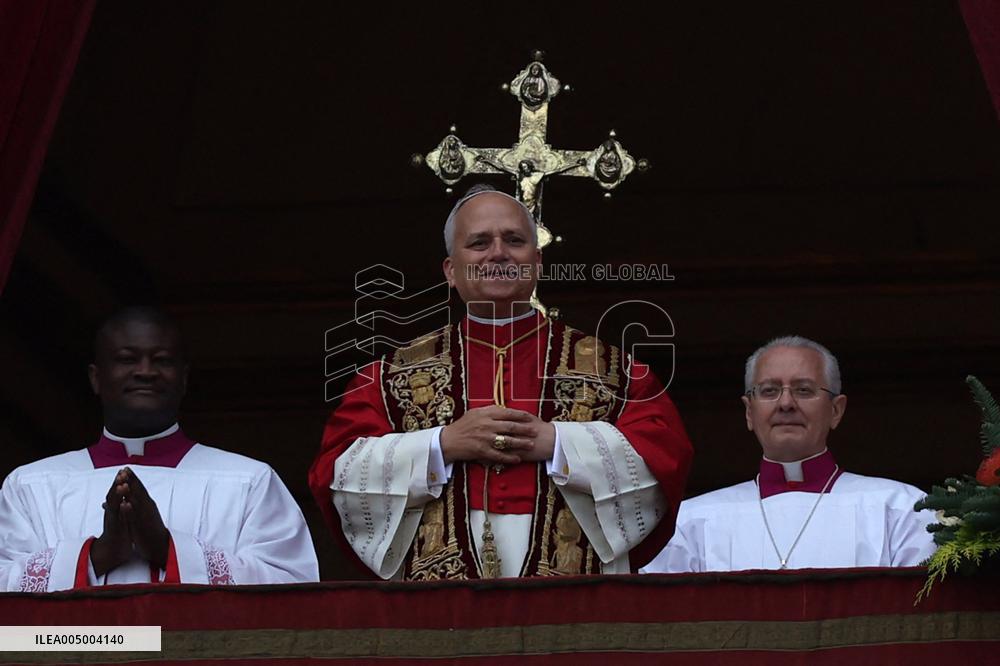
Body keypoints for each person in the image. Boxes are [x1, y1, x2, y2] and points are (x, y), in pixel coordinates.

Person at [310, 184, 693, 580]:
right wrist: (441, 445)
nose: (498, 253)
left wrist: (559, 444)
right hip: (441, 595)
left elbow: (665, 457)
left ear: (537, 263)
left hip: (573, 584)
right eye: (479, 243)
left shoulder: (616, 370)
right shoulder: (387, 377)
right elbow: (338, 473)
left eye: (514, 240)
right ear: (451, 271)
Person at [0, 307, 319, 591]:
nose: (146, 371)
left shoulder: (250, 481)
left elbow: (292, 593)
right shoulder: (29, 486)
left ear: (183, 379)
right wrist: (97, 555)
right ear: (96, 378)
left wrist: (167, 548)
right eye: (127, 359)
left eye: (162, 360)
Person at [642, 336, 936, 573]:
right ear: (749, 412)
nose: (785, 403)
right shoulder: (690, 523)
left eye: (804, 390)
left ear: (836, 410)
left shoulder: (903, 511)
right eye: (769, 390)